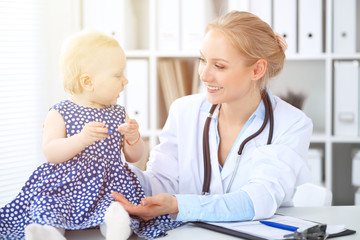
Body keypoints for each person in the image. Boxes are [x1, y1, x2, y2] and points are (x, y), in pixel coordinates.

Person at [112, 11, 313, 223]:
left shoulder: (292, 124)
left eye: (219, 66)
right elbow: (161, 181)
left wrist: (179, 205)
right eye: (203, 60)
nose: (204, 75)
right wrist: (114, 169)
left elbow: (259, 199)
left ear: (257, 69)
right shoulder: (184, 111)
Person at [0, 30, 180, 240]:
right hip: (65, 185)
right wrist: (81, 139)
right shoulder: (60, 112)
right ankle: (49, 231)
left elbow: (135, 157)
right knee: (47, 203)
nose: (126, 81)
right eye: (118, 75)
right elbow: (51, 152)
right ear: (87, 82)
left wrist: (133, 137)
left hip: (109, 184)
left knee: (117, 204)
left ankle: (115, 225)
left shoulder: (119, 112)